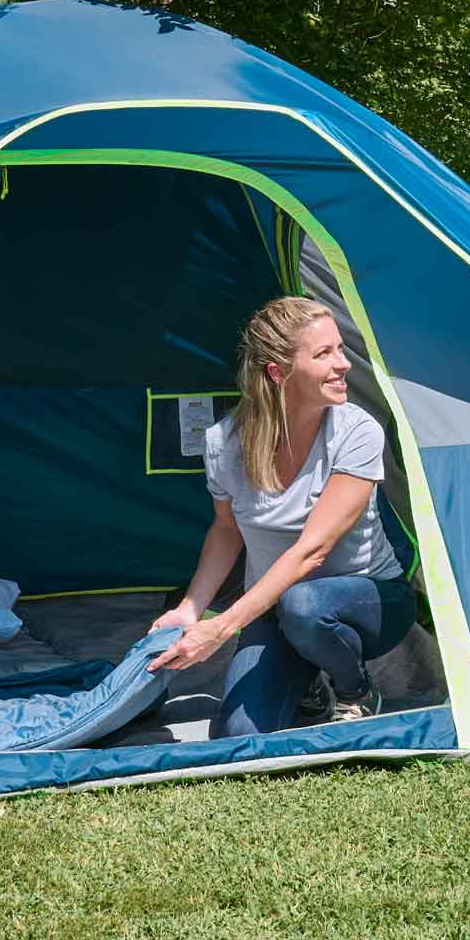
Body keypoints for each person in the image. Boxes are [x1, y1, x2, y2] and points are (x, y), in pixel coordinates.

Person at [154, 295, 416, 735]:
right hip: (275, 608)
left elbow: (313, 551)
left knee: (304, 604)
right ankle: (308, 688)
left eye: (340, 349)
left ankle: (355, 690)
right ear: (278, 372)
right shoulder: (224, 442)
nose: (343, 364)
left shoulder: (356, 432)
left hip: (369, 603)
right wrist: (190, 607)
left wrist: (221, 628)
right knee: (239, 734)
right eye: (323, 354)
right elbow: (225, 530)